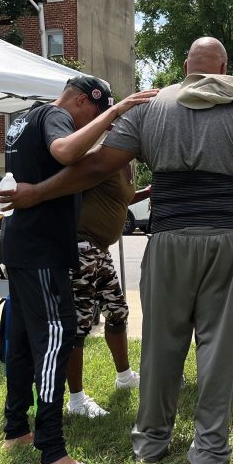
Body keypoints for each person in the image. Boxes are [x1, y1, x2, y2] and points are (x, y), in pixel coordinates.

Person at [0, 36, 233, 464]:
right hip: (226, 241)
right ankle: (209, 452)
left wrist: (34, 193)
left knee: (160, 344)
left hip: (168, 239)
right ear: (225, 66)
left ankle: (151, 443)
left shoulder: (151, 107)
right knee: (221, 348)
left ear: (185, 66)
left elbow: (93, 168)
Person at [0, 75, 155, 464]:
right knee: (56, 339)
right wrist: (119, 112)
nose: (98, 122)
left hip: (19, 244)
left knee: (19, 341)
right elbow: (67, 152)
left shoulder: (21, 120)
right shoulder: (55, 115)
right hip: (42, 249)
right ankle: (52, 455)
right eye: (99, 113)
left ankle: (16, 429)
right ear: (86, 101)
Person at [65, 160, 151, 418]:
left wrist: (148, 192)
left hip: (99, 250)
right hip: (81, 247)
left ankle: (124, 376)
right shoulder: (103, 156)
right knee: (79, 324)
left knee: (117, 311)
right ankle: (76, 400)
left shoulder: (129, 163)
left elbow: (117, 198)